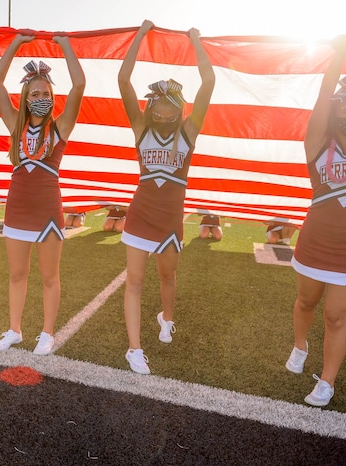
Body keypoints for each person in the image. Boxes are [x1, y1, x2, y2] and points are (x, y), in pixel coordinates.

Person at [117, 21, 215, 374]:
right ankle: (134, 349)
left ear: (180, 108)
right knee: (134, 282)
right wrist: (139, 37)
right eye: (158, 104)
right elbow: (123, 80)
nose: (164, 112)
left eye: (170, 106)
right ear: (151, 106)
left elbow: (208, 82)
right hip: (140, 213)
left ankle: (167, 317)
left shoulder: (189, 131)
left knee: (167, 276)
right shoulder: (141, 128)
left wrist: (195, 40)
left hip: (171, 218)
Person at [284, 37, 346, 407]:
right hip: (316, 240)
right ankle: (300, 345)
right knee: (306, 302)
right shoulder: (317, 143)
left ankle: (327, 382)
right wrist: (339, 56)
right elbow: (323, 97)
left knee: (336, 317)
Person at [0, 33, 85, 354]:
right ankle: (14, 330)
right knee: (17, 275)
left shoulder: (60, 128)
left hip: (47, 212)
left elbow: (79, 85)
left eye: (46, 93)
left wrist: (66, 45)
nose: (41, 97)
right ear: (26, 97)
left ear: (52, 97)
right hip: (17, 209)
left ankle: (46, 333)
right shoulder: (15, 124)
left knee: (49, 276)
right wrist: (16, 43)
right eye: (35, 93)